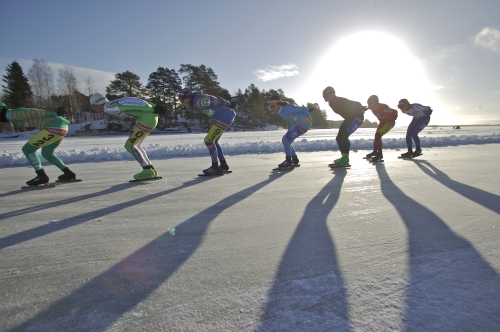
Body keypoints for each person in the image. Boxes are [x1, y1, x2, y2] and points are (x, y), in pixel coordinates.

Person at [89, 93, 166, 180]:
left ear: (98, 103)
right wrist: (153, 107)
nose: (93, 109)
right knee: (136, 145)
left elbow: (129, 107)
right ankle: (151, 169)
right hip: (150, 118)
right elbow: (135, 101)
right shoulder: (112, 103)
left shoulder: (108, 107)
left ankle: (147, 170)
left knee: (129, 145)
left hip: (147, 119)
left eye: (93, 106)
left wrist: (153, 109)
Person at [0, 101, 77, 186]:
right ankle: (68, 173)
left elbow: (33, 112)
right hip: (61, 127)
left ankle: (41, 176)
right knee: (47, 154)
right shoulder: (11, 115)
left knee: (28, 149)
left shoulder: (11, 114)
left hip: (54, 127)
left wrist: (54, 113)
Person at [178, 88, 236, 175]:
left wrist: (229, 104)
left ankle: (215, 167)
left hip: (224, 116)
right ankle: (223, 165)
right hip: (224, 116)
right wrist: (229, 104)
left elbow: (216, 100)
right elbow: (216, 100)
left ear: (187, 97)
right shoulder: (197, 99)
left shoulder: (199, 101)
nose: (181, 102)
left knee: (208, 140)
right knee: (214, 141)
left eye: (181, 99)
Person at [322, 86, 365, 166]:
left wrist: (360, 107)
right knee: (339, 138)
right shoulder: (332, 102)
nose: (323, 96)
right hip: (350, 119)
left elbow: (354, 103)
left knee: (344, 137)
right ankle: (344, 157)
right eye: (323, 95)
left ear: (331, 94)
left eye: (325, 95)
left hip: (357, 118)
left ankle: (345, 158)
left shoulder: (337, 100)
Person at [267, 95, 311, 168]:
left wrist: (308, 118)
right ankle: (294, 159)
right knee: (287, 142)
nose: (271, 108)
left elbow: (305, 109)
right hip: (295, 125)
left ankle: (288, 161)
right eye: (270, 106)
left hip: (303, 124)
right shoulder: (277, 111)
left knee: (285, 139)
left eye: (272, 106)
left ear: (278, 104)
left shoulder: (288, 108)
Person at [366, 95, 398, 161]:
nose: (369, 106)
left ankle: (380, 154)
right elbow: (365, 108)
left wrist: (395, 116)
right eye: (368, 104)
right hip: (382, 122)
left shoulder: (383, 107)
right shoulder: (371, 107)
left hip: (389, 122)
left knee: (378, 136)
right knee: (376, 136)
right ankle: (375, 151)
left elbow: (395, 111)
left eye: (370, 104)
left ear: (376, 103)